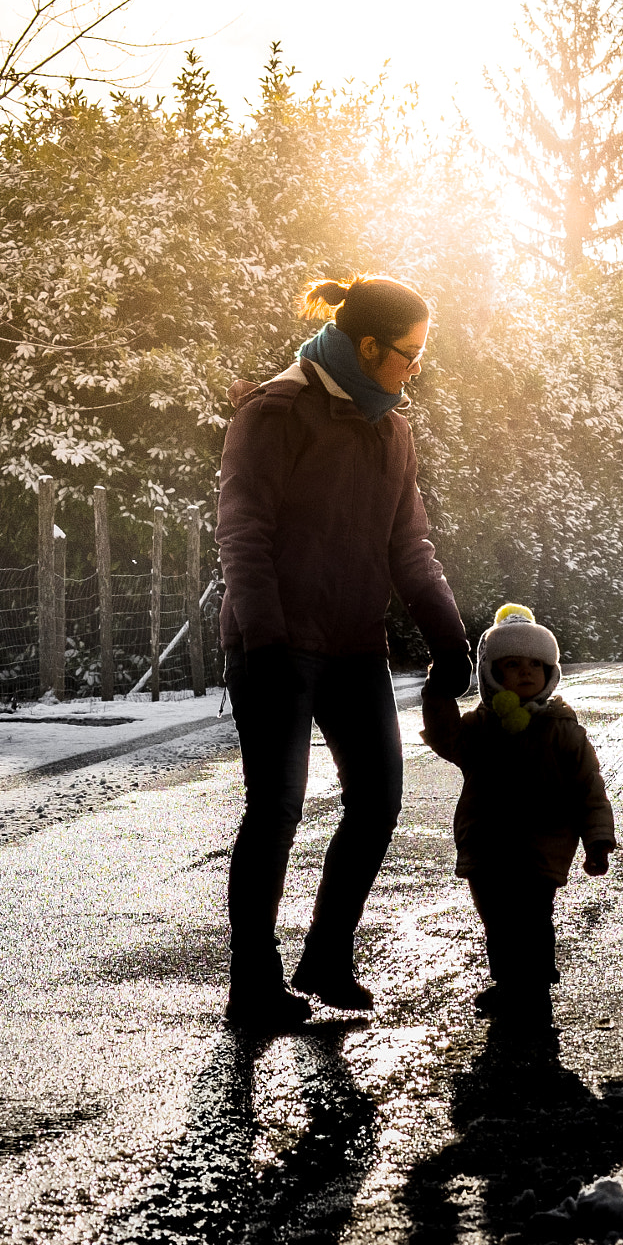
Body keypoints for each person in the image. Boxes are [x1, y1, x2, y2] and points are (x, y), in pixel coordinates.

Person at [215, 274, 472, 1030]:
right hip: (276, 644)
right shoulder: (276, 410)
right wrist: (263, 638)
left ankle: (327, 955)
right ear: (367, 346)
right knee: (276, 810)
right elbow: (243, 534)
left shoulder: (391, 428)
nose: (417, 367)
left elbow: (409, 544)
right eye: (409, 353)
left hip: (354, 641)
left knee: (379, 800)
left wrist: (446, 631)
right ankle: (252, 984)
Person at [420, 604, 615, 1019]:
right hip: (487, 846)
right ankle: (509, 982)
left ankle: (535, 987)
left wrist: (597, 838)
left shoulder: (563, 729)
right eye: (512, 664)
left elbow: (589, 787)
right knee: (497, 921)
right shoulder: (482, 727)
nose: (526, 672)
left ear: (550, 673)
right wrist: (437, 695)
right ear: (493, 676)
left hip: (540, 849)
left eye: (535, 664)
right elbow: (446, 740)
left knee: (531, 919)